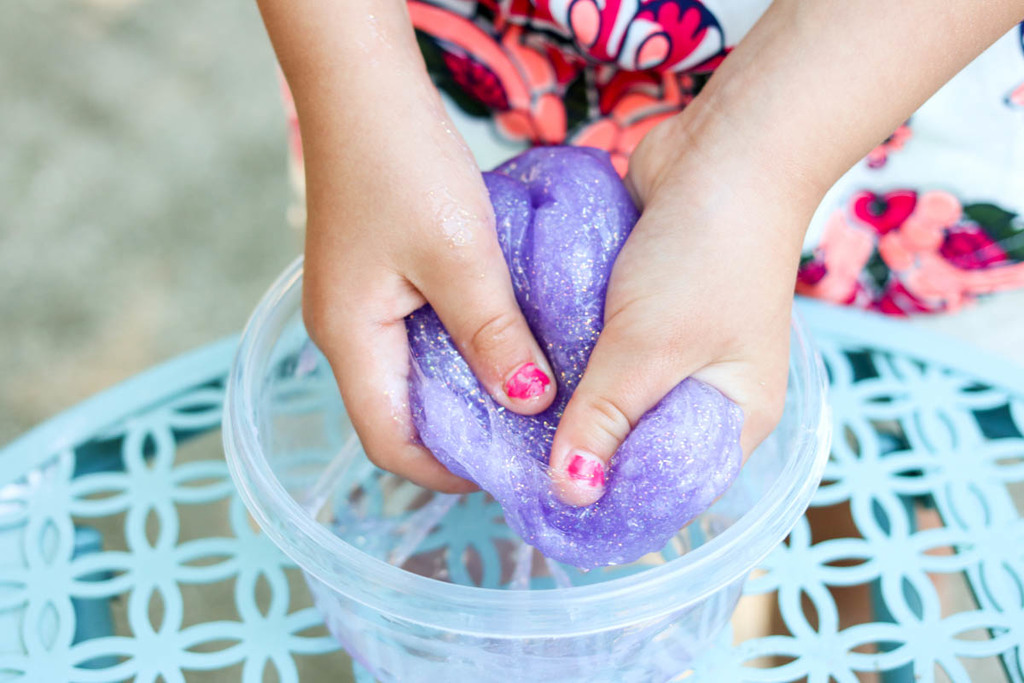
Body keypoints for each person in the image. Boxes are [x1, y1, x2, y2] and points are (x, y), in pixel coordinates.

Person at [256, 0, 1024, 506]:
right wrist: (353, 86)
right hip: (441, 92)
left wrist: (753, 155)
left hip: (896, 80)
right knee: (450, 429)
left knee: (867, 471)